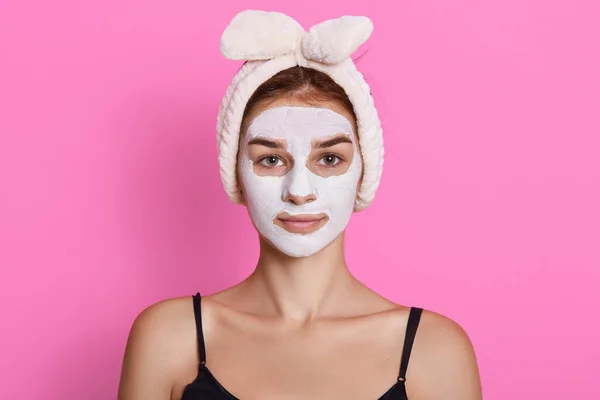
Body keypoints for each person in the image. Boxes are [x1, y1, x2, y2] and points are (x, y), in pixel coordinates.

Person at [118, 10, 482, 400]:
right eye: (270, 159)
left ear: (364, 173)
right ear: (236, 173)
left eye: (329, 159)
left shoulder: (434, 351)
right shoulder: (169, 339)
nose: (299, 191)